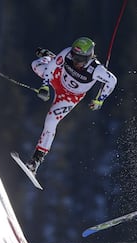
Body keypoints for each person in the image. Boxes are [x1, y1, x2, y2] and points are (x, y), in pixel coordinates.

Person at [26, 37, 117, 174]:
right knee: (35, 65)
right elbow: (51, 68)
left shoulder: (96, 69)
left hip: (69, 97)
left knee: (51, 121)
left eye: (80, 59)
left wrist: (100, 100)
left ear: (89, 57)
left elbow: (112, 81)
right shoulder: (67, 53)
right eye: (74, 57)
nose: (75, 62)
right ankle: (50, 57)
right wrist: (44, 86)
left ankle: (36, 161)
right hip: (58, 78)